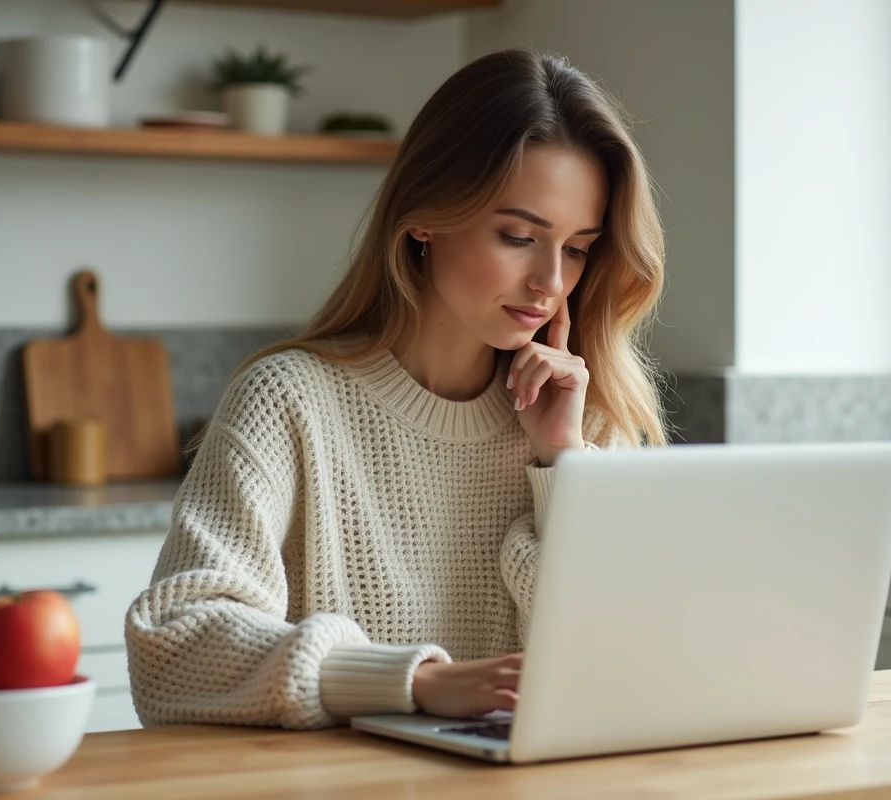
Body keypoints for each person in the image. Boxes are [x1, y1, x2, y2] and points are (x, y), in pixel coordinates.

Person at [125, 48, 667, 730]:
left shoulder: (587, 419)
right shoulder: (288, 401)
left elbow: (625, 663)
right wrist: (414, 682)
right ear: (426, 218)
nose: (551, 281)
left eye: (579, 247)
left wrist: (561, 464)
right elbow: (174, 647)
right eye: (519, 236)